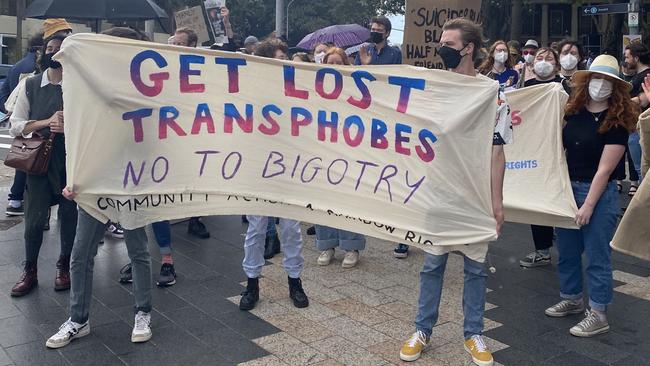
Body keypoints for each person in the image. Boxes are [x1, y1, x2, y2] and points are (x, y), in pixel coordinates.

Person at [400, 18, 512, 366]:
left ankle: (473, 333)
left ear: (468, 48)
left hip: (475, 196)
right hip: (439, 193)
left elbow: (497, 151)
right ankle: (422, 330)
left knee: (476, 269)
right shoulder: (434, 89)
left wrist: (497, 203)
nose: (441, 50)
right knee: (432, 265)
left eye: (448, 44)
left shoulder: (492, 94)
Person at [45, 27, 154, 349]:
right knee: (80, 254)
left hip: (132, 179)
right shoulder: (86, 83)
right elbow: (82, 133)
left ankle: (143, 311)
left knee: (138, 251)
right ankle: (78, 318)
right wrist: (75, 175)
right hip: (94, 182)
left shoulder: (144, 87)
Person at [544, 54, 638, 337]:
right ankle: (571, 298)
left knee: (597, 256)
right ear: (587, 81)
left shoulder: (618, 121)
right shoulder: (573, 111)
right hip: (568, 189)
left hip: (600, 193)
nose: (600, 84)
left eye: (607, 80)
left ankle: (598, 312)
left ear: (616, 87)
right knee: (568, 252)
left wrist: (588, 205)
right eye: (596, 78)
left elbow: (605, 169)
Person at [239, 38, 308, 311]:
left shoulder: (296, 91)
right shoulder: (250, 92)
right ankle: (252, 282)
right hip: (258, 169)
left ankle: (295, 280)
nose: (286, 62)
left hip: (289, 169)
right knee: (255, 229)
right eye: (281, 57)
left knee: (291, 228)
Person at [8, 34, 78, 297]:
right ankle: (30, 270)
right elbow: (15, 124)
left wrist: (69, 125)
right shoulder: (31, 85)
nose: (53, 52)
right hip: (38, 162)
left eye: (59, 49)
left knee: (70, 216)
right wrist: (46, 122)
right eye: (49, 48)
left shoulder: (77, 86)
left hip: (71, 160)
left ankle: (64, 266)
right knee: (34, 221)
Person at [519, 47, 563, 268]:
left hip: (560, 151)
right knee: (537, 198)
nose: (543, 62)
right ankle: (542, 250)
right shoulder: (525, 88)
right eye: (539, 58)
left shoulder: (564, 87)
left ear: (556, 64)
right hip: (534, 151)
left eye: (548, 59)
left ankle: (566, 246)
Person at [1, 33, 43, 216]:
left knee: (23, 158)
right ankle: (31, 203)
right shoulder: (37, 69)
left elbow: (4, 93)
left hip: (19, 119)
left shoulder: (16, 66)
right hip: (35, 122)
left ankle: (15, 199)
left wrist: (10, 113)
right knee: (34, 162)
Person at [623, 43, 649, 194]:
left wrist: (620, 101)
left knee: (642, 171)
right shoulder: (637, 76)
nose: (625, 60)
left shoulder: (646, 75)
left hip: (641, 128)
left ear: (636, 58)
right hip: (635, 127)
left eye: (627, 57)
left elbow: (645, 100)